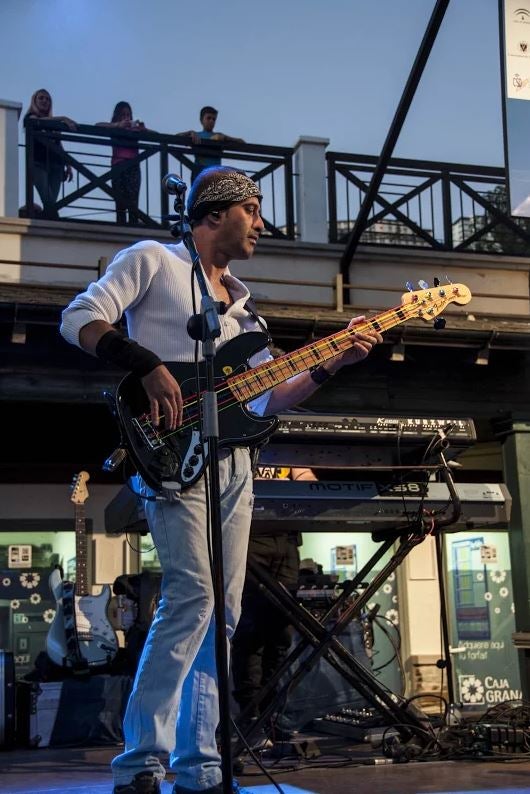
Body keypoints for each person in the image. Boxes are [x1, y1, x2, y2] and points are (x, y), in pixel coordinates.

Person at [59, 164, 382, 794]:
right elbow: (80, 317)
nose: (261, 224)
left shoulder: (245, 310)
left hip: (234, 465)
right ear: (216, 212)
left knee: (224, 612)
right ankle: (141, 761)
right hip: (172, 455)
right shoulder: (152, 259)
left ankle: (201, 765)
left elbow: (269, 398)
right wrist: (147, 363)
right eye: (253, 210)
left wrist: (332, 362)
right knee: (193, 599)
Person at [231, 465, 316, 734]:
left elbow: (306, 479)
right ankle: (250, 715)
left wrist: (309, 483)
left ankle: (272, 713)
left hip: (286, 539)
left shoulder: (287, 450)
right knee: (250, 633)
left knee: (280, 635)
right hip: (252, 536)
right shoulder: (246, 439)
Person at [23, 88, 76, 219]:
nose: (44, 101)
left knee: (50, 203)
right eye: (41, 98)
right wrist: (63, 118)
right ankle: (56, 223)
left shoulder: (53, 123)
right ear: (34, 101)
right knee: (48, 200)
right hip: (38, 163)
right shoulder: (30, 117)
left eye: (47, 99)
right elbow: (38, 122)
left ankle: (44, 221)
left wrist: (68, 164)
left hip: (56, 166)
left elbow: (58, 144)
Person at [96, 102, 147, 225]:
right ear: (117, 116)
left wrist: (143, 129)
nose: (126, 118)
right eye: (123, 115)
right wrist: (118, 125)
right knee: (120, 201)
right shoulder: (114, 127)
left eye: (128, 115)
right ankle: (121, 224)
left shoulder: (134, 130)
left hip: (133, 167)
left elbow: (157, 135)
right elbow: (97, 126)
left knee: (133, 200)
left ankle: (133, 225)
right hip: (118, 166)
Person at [176, 106, 245, 183]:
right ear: (201, 120)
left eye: (214, 119)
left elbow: (241, 142)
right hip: (199, 175)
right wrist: (189, 133)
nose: (211, 121)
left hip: (215, 177)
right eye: (208, 118)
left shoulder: (219, 136)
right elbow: (174, 138)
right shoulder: (197, 135)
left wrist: (226, 138)